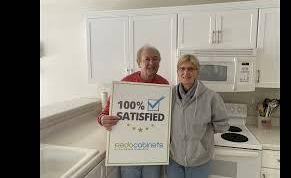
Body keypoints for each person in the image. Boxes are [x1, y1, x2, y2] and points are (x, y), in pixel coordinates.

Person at [97, 44, 169, 178]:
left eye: (155, 59)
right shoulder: (124, 84)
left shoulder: (165, 86)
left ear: (159, 62)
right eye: (147, 59)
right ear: (139, 62)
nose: (151, 63)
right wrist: (102, 119)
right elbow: (104, 113)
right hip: (128, 150)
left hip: (153, 151)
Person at [167, 54, 230, 178]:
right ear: (177, 71)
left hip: (199, 161)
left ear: (197, 72)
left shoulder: (211, 97)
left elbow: (222, 125)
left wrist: (200, 137)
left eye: (191, 69)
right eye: (182, 68)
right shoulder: (169, 95)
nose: (186, 72)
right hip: (174, 159)